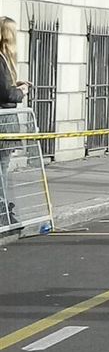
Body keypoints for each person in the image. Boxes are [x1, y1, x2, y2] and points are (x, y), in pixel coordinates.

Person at [0, 17, 30, 226]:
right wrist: (20, 91)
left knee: (3, 166)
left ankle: (3, 208)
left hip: (6, 120)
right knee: (2, 166)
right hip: (3, 121)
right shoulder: (1, 59)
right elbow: (5, 94)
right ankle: (2, 210)